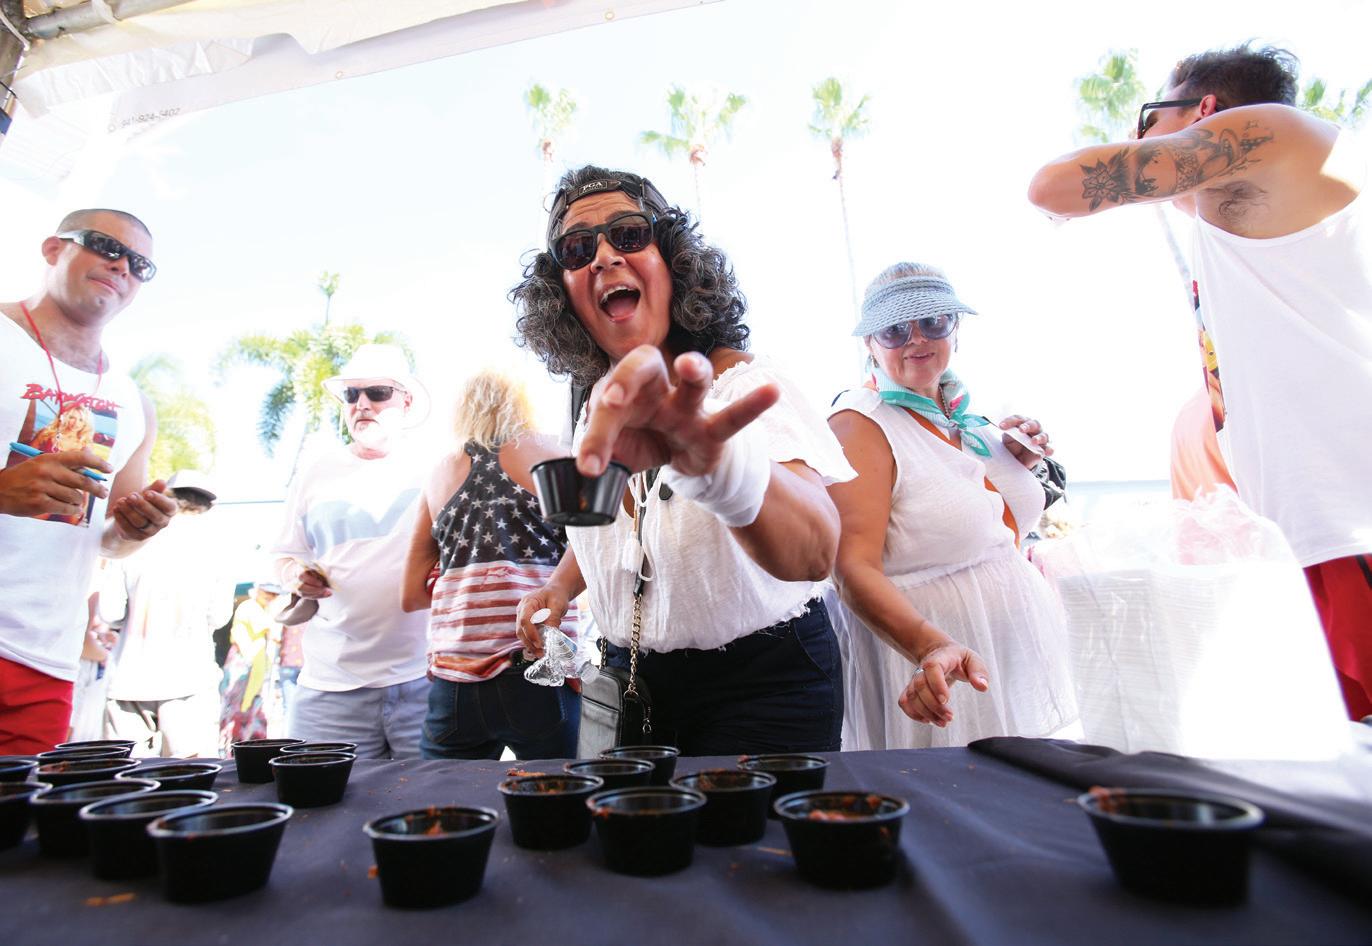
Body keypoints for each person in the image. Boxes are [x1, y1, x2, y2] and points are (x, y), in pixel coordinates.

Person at [1028, 43, 1372, 718]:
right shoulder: (1266, 203)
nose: (1140, 137)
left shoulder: (1275, 131)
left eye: (1148, 118)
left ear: (1205, 111)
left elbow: (1051, 187)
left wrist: (1146, 154)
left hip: (1353, 513)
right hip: (1319, 523)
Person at [510, 166, 854, 756]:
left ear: (674, 261)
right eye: (577, 248)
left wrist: (718, 465)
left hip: (762, 690)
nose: (604, 257)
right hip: (628, 681)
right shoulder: (594, 404)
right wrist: (560, 587)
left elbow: (816, 552)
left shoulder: (742, 386)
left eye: (629, 234)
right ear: (561, 292)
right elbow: (613, 524)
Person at [825, 263, 1078, 747]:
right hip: (933, 665)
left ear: (955, 329)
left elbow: (993, 533)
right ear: (870, 344)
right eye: (895, 330)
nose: (917, 339)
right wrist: (929, 647)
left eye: (933, 322)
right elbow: (851, 571)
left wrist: (1020, 463)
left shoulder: (965, 416)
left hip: (1008, 655)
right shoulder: (861, 423)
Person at [0, 209, 179, 754]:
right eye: (105, 245)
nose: (122, 266)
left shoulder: (134, 402)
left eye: (140, 264)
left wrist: (134, 528)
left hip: (46, 659)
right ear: (54, 249)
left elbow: (108, 539)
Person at [400, 370, 581, 760]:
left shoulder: (438, 475)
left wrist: (465, 590)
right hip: (539, 664)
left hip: (456, 679)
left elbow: (411, 594)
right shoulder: (553, 457)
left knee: (447, 797)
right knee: (555, 794)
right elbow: (591, 552)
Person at [271, 344, 430, 758]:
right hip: (329, 690)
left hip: (425, 683)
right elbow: (284, 556)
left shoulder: (435, 469)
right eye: (351, 394)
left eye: (377, 392)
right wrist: (296, 576)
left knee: (432, 798)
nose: (362, 404)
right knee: (318, 797)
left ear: (406, 401)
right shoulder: (315, 472)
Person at [97, 471, 234, 758]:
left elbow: (110, 611)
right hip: (191, 677)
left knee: (128, 777)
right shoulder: (217, 548)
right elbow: (219, 617)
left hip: (129, 679)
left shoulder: (135, 537)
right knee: (192, 777)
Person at [220, 582, 281, 753]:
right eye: (267, 592)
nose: (270, 597)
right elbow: (273, 630)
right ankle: (232, 749)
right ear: (257, 591)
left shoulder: (262, 609)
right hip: (243, 665)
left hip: (258, 667)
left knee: (255, 709)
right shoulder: (249, 607)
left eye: (274, 594)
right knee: (236, 710)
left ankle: (252, 748)